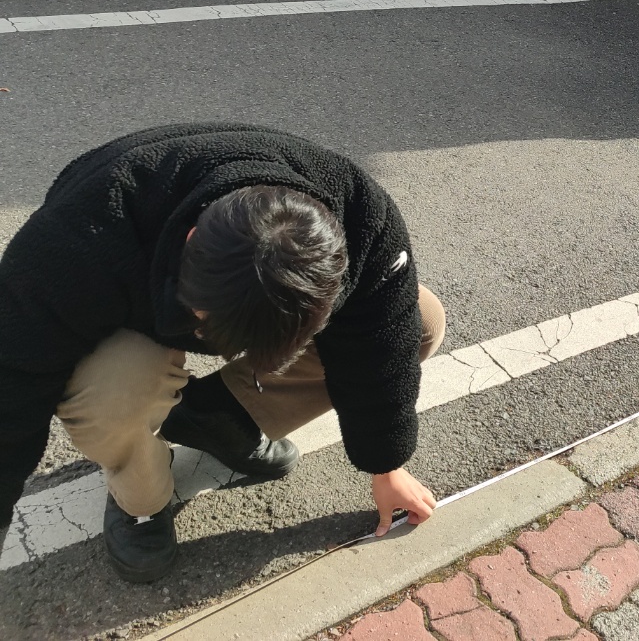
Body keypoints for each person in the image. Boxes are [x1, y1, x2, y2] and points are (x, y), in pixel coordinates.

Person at [0, 124, 445, 583]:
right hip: (129, 291)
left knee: (420, 322)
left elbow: (382, 341)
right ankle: (142, 502)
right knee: (116, 393)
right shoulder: (82, 236)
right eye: (203, 321)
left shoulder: (361, 215)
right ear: (193, 240)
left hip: (195, 276)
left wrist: (385, 463)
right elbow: (10, 381)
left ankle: (221, 415)